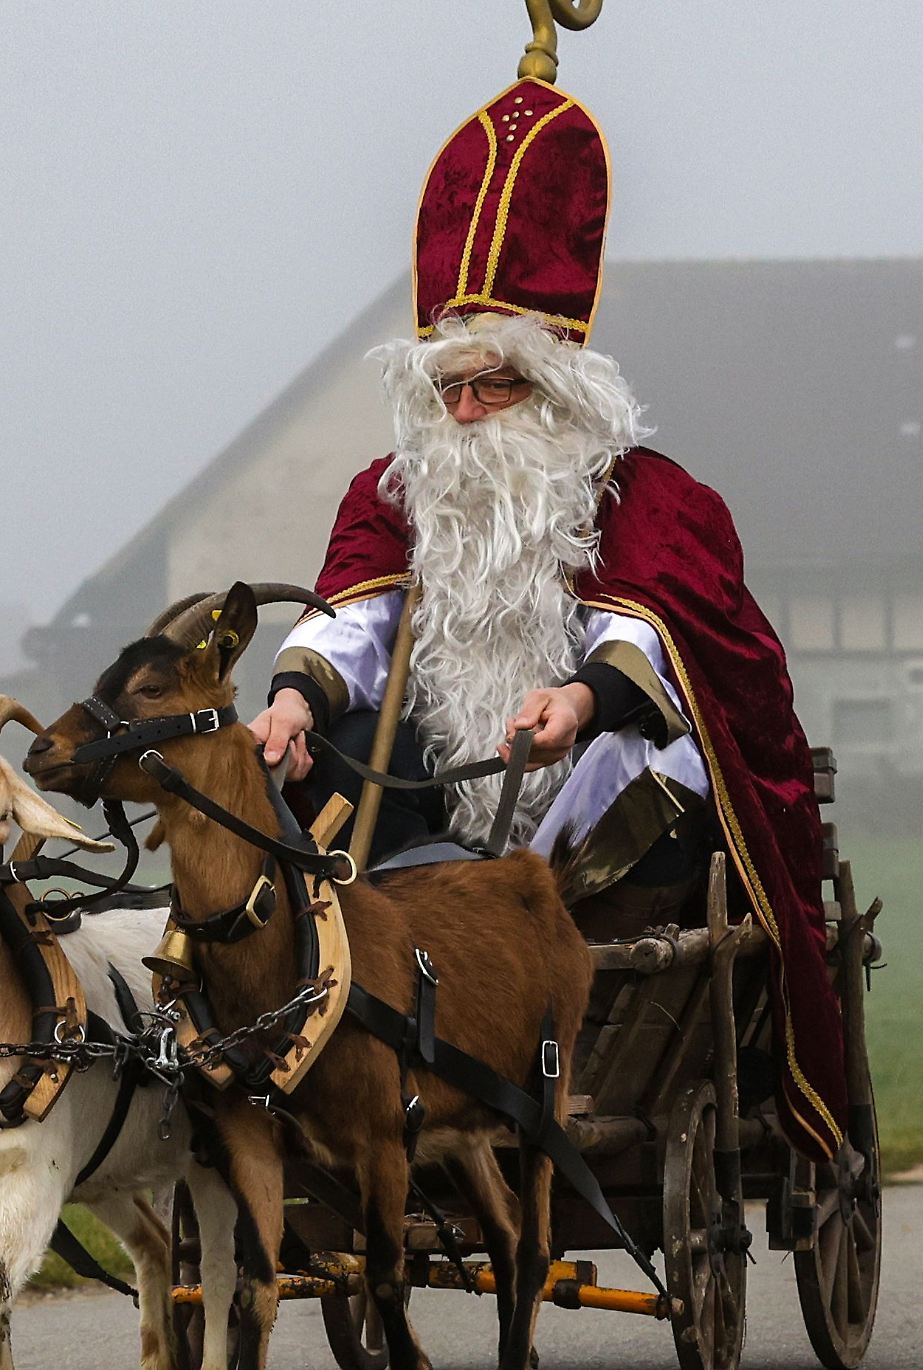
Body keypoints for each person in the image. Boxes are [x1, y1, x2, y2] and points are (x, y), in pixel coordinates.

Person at [247, 66, 846, 1161]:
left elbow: (660, 636)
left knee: (653, 783)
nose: (466, 417)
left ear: (560, 390)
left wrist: (580, 698)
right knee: (314, 767)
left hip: (598, 808)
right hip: (437, 812)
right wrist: (288, 698)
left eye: (495, 387)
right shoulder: (398, 492)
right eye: (447, 390)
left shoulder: (654, 500)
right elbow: (350, 621)